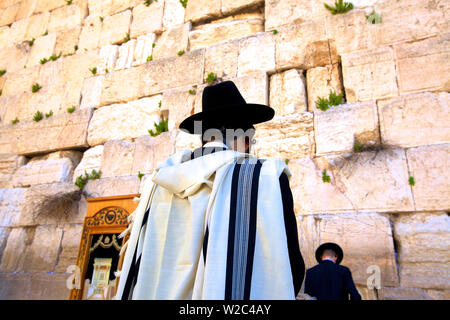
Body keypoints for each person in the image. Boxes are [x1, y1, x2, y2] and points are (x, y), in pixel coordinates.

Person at [115, 80, 305, 300]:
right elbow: (290, 266)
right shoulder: (265, 177)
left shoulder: (158, 183)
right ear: (243, 139)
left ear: (204, 136)